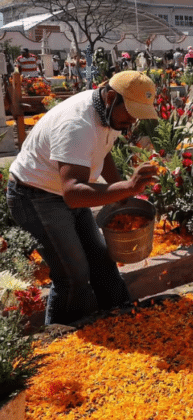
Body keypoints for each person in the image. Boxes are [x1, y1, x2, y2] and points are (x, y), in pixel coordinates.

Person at [6, 70, 159, 326]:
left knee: (102, 260)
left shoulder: (109, 114)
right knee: (73, 275)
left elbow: (103, 151)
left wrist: (118, 189)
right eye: (130, 112)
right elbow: (73, 193)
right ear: (111, 97)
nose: (132, 121)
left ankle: (123, 320)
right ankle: (60, 339)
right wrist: (127, 187)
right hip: (35, 196)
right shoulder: (77, 124)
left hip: (63, 193)